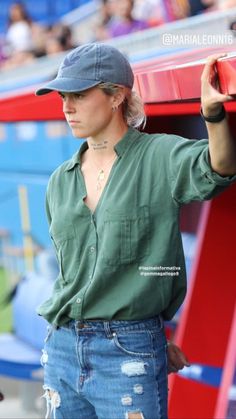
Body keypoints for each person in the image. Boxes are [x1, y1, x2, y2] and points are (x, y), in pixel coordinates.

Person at [35, 43, 236, 419]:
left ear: (116, 95)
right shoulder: (59, 182)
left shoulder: (157, 156)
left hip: (128, 351)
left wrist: (212, 115)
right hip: (61, 346)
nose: (67, 106)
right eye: (64, 96)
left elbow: (218, 168)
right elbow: (73, 275)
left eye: (78, 94)